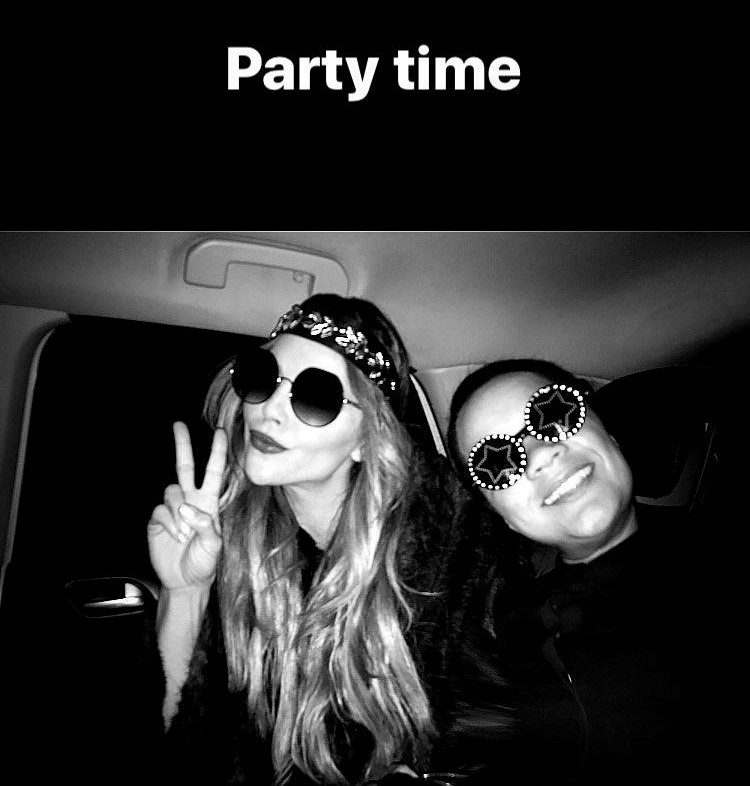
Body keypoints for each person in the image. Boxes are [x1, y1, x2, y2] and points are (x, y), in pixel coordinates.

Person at [147, 294, 469, 786]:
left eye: (315, 397)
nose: (269, 411)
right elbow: (185, 743)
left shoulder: (444, 553)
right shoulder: (227, 537)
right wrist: (186, 590)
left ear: (367, 439)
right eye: (262, 378)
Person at [443, 358, 686, 786]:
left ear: (606, 431)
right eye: (496, 462)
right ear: (501, 516)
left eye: (553, 413)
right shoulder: (501, 628)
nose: (540, 455)